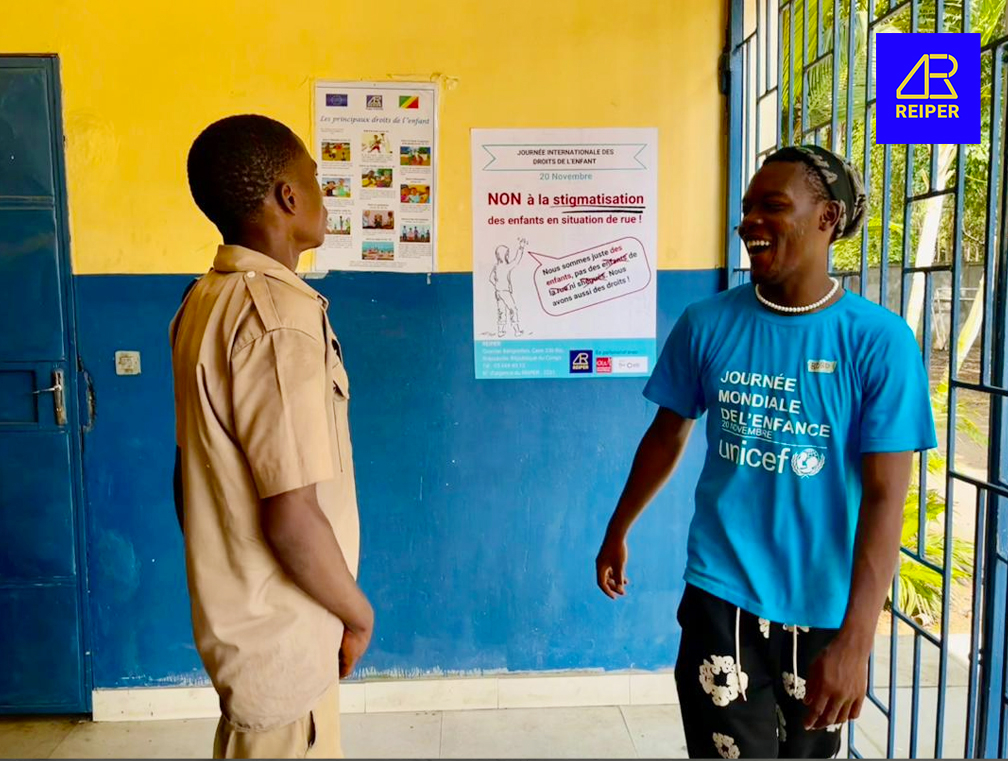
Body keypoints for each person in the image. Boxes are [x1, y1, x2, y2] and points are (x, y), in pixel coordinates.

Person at [595, 145, 936, 759]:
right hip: (720, 593)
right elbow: (667, 432)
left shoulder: (879, 342)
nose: (750, 221)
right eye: (747, 208)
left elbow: (887, 494)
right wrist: (619, 527)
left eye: (773, 206)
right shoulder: (706, 324)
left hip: (824, 606)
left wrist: (858, 639)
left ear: (828, 218)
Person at [171, 114, 373, 758]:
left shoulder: (204, 299)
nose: (323, 193)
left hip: (253, 633)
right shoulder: (279, 319)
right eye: (316, 178)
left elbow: (187, 476)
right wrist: (358, 613)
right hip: (285, 644)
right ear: (289, 197)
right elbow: (291, 516)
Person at [489, 237, 526, 337]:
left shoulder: (496, 266)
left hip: (498, 292)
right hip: (505, 292)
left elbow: (491, 278)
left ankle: (500, 331)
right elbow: (516, 261)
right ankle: (517, 331)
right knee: (512, 309)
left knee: (501, 311)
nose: (508, 255)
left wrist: (497, 285)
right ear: (504, 255)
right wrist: (521, 248)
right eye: (507, 254)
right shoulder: (506, 266)